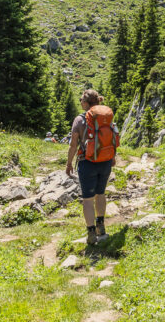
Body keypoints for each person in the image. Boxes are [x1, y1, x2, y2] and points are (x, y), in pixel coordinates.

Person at [66, 89, 119, 247]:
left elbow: (73, 144)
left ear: (87, 103)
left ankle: (90, 232)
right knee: (101, 194)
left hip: (87, 162)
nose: (80, 102)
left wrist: (69, 163)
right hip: (105, 161)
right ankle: (100, 225)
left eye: (82, 99)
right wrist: (112, 157)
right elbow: (110, 139)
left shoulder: (80, 120)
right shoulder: (106, 116)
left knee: (88, 199)